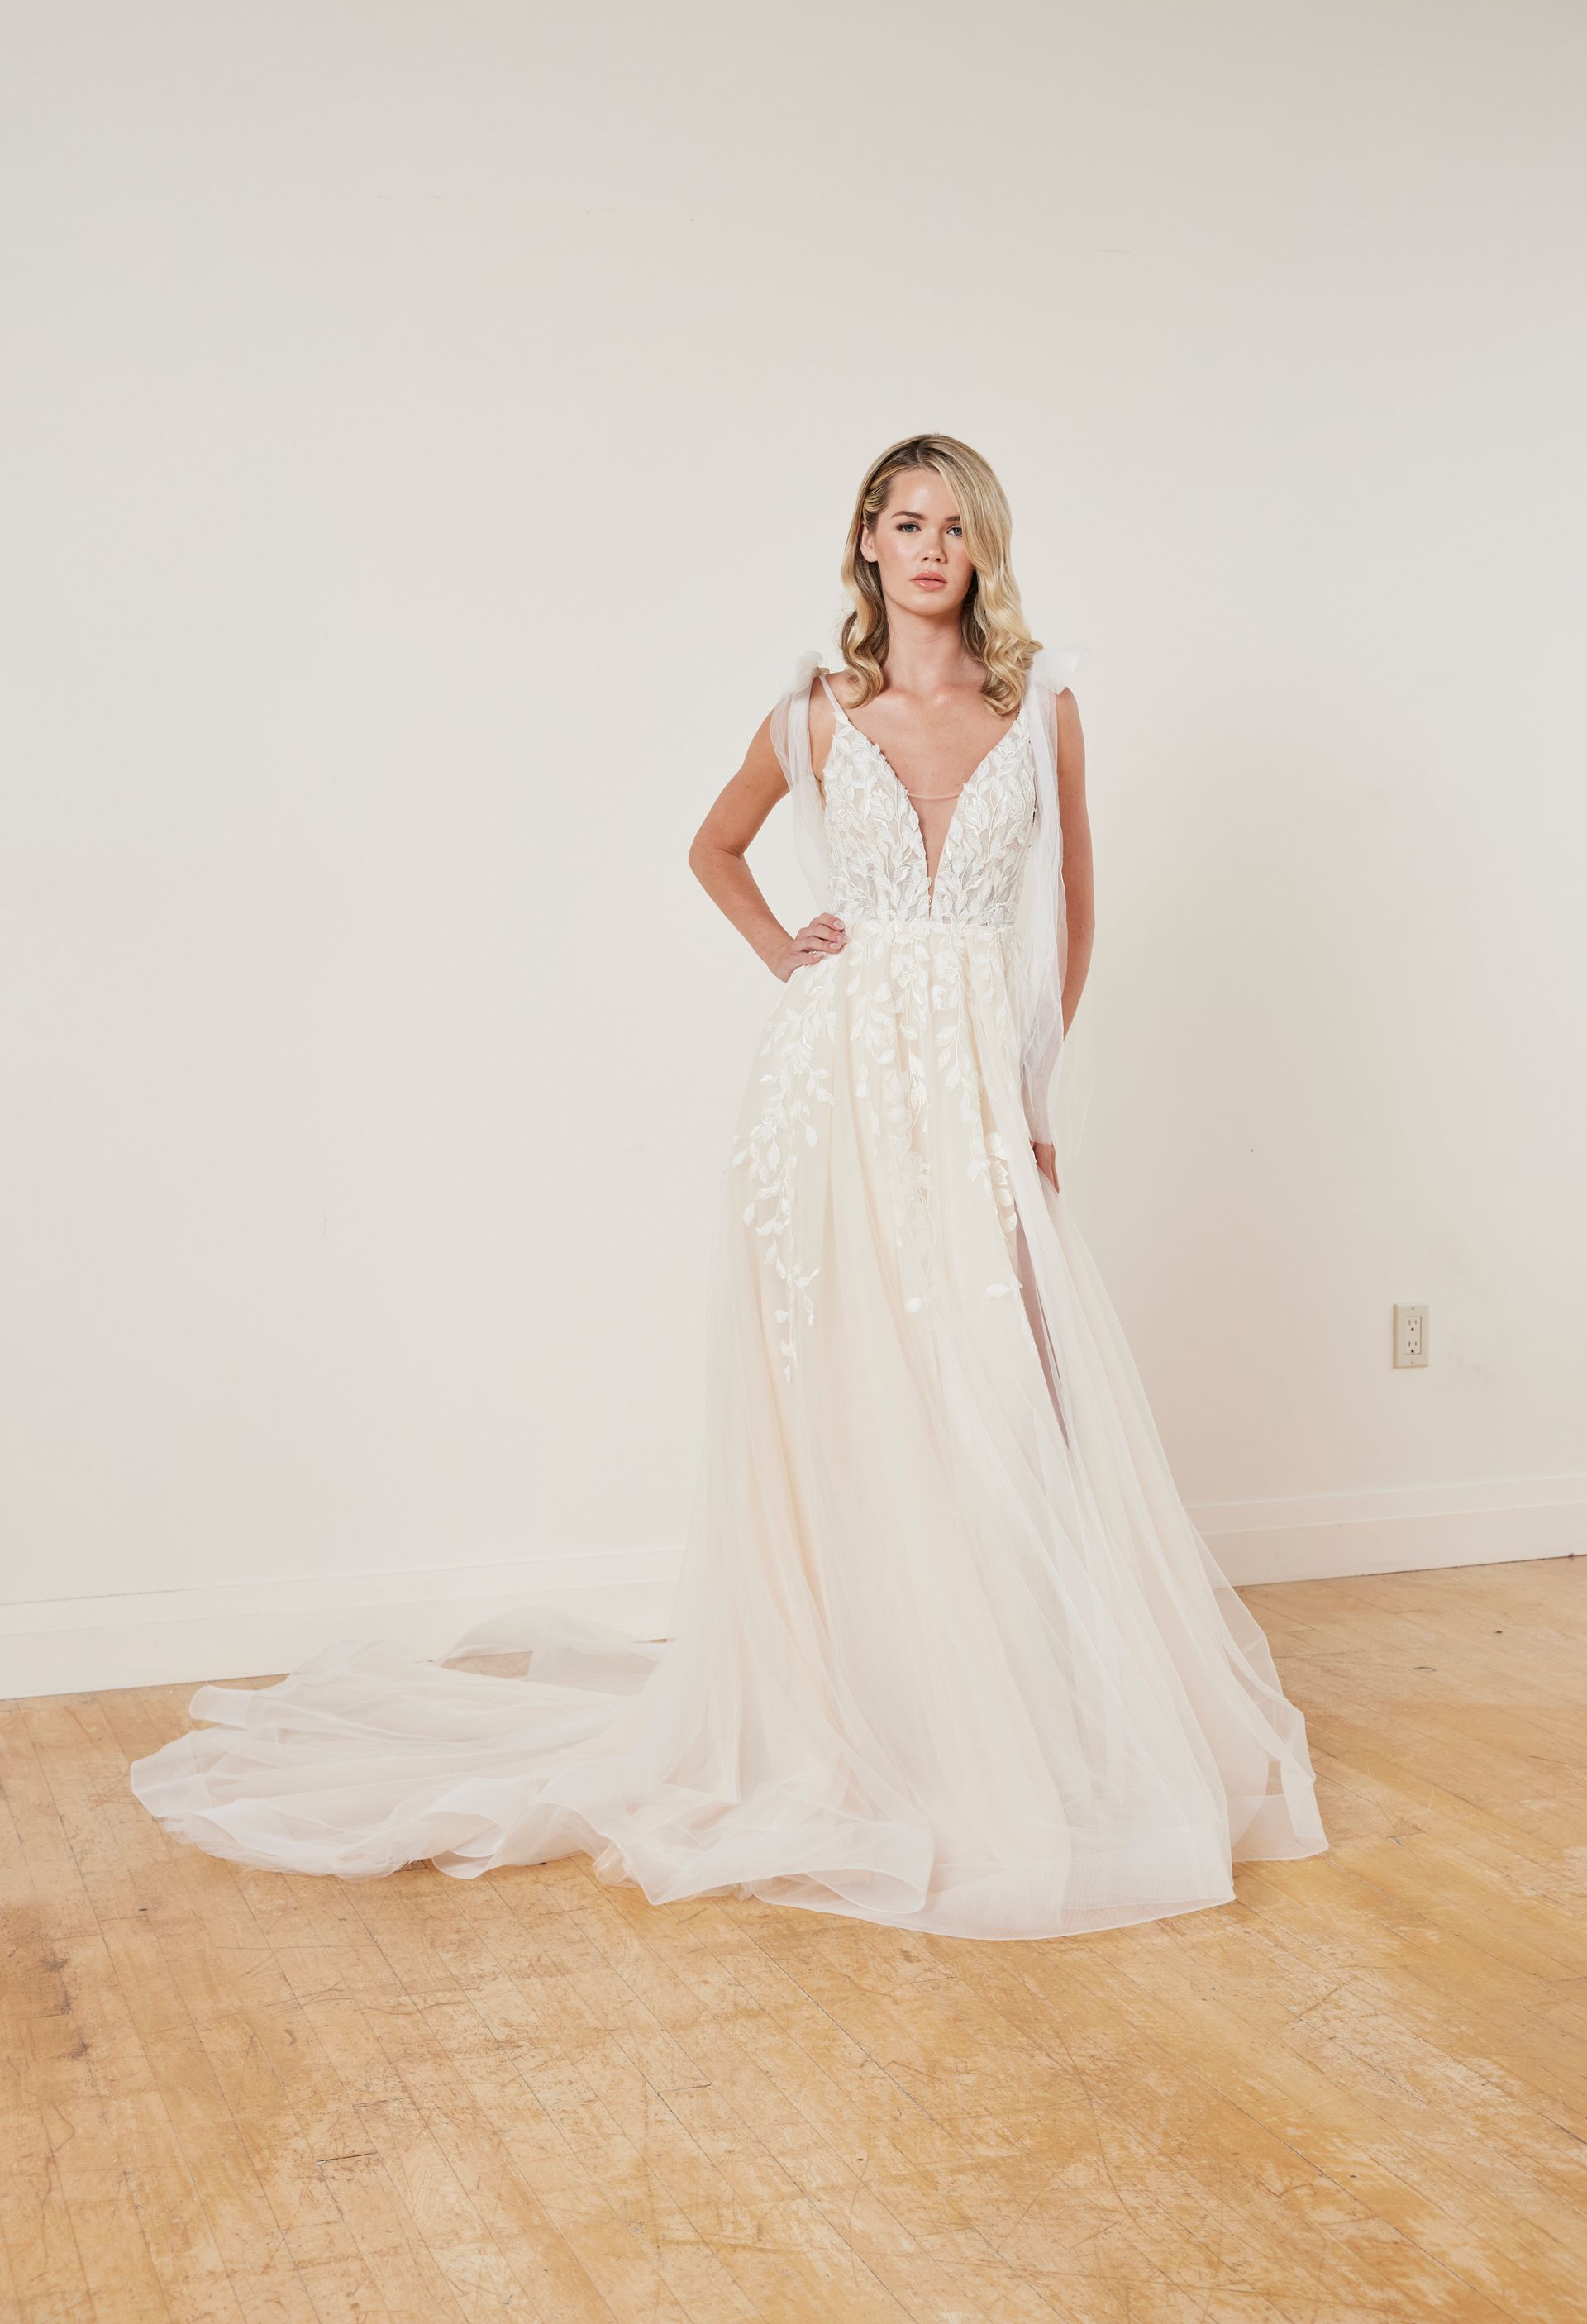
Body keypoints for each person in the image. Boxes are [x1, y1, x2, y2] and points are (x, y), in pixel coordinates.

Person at [129, 432, 1327, 1939]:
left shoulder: (1044, 706)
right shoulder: (813, 712)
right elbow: (712, 846)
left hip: (971, 1087)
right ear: (869, 544)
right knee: (857, 1399)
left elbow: (1073, 911)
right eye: (906, 520)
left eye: (956, 523)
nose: (931, 545)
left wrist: (1030, 1096)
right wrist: (785, 951)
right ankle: (869, 1719)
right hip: (827, 1090)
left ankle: (1035, 1711)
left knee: (1016, 1380)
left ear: (983, 547)